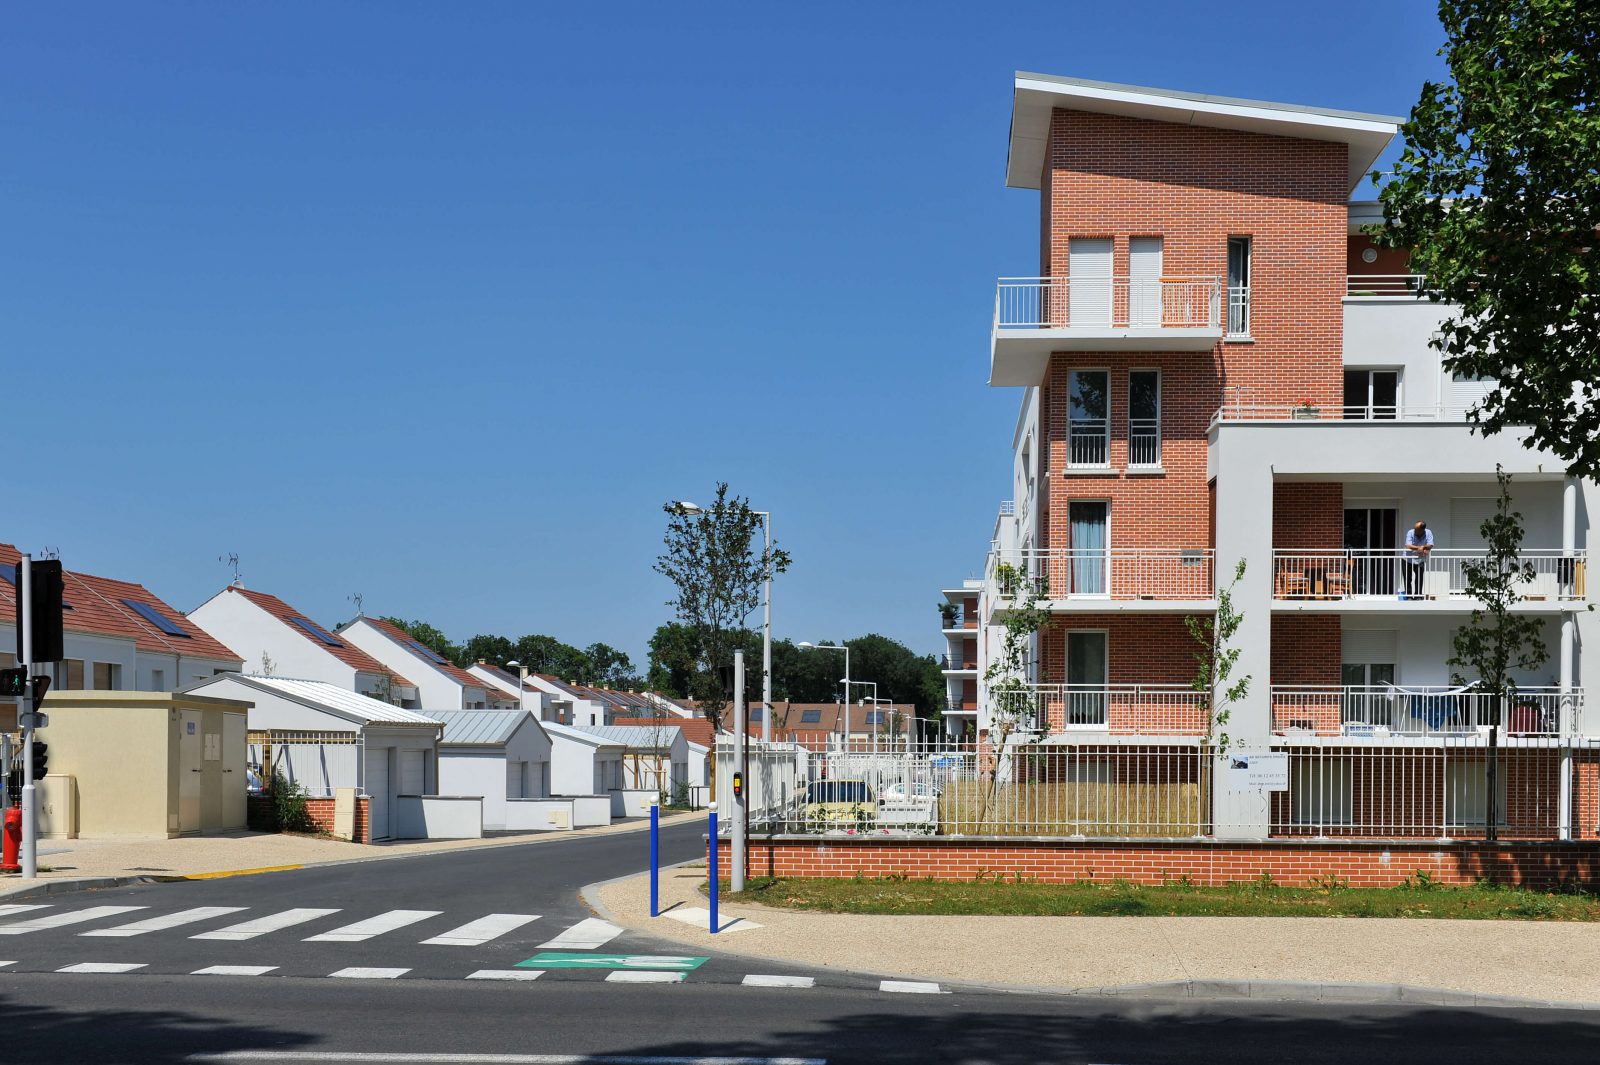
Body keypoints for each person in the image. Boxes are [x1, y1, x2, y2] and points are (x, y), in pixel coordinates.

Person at [1403, 520, 1433, 598]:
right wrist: (1419, 548)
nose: (1414, 531)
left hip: (1420, 560)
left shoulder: (1428, 532)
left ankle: (1418, 596)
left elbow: (1430, 544)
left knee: (1419, 578)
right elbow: (1408, 545)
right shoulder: (1410, 532)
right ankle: (1408, 596)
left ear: (1422, 530)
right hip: (1407, 559)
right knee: (1407, 578)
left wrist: (1424, 547)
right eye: (1414, 528)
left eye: (1416, 530)